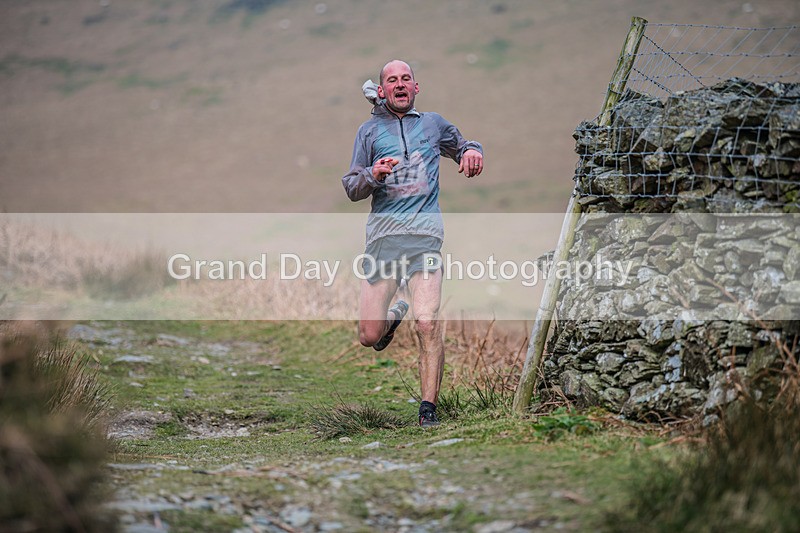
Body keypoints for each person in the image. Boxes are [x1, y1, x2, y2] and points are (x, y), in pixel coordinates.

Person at [342, 60, 484, 427]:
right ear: (383, 89)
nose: (400, 84)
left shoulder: (432, 124)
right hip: (383, 240)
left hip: (425, 238)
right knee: (368, 335)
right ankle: (392, 318)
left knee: (427, 323)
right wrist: (373, 174)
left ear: (416, 87)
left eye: (406, 78)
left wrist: (472, 151)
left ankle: (428, 410)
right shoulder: (369, 131)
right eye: (392, 80)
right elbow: (351, 187)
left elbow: (464, 144)